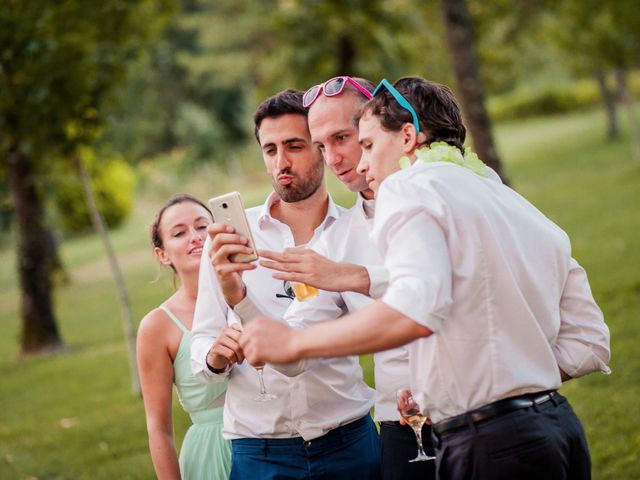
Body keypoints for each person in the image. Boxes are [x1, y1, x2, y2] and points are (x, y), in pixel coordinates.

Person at [239, 77, 611, 479]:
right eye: (320, 145)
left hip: (488, 439)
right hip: (554, 427)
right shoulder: (506, 200)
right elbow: (589, 341)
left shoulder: (407, 188)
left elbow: (418, 307)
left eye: (361, 143)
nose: (350, 161)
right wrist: (508, 380)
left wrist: (296, 337)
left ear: (406, 136)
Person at [190, 89, 381, 480]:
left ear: (323, 150)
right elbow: (201, 340)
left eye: (294, 146)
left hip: (349, 442)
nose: (281, 162)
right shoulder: (229, 238)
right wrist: (214, 357)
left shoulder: (356, 231)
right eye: (270, 149)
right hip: (259, 449)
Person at [257, 75, 435, 480]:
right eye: (321, 145)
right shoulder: (334, 240)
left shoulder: (441, 191)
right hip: (403, 429)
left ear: (375, 126)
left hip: (476, 409)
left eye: (342, 138)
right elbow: (298, 345)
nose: (333, 158)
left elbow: (445, 285)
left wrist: (357, 277)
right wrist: (240, 302)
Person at [137, 194, 231, 479]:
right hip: (213, 455)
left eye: (203, 226)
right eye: (179, 233)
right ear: (162, 254)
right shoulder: (157, 326)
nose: (195, 237)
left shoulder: (253, 291)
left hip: (279, 443)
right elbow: (159, 429)